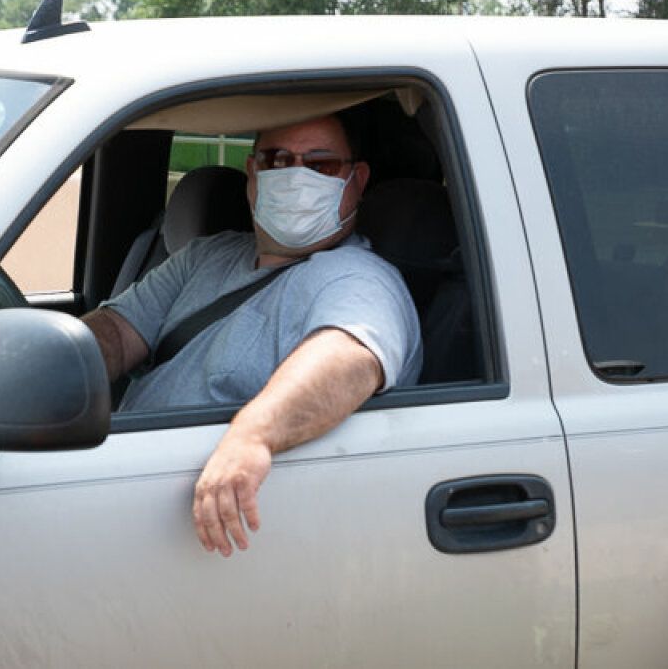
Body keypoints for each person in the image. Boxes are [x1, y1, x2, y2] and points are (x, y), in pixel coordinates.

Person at [82, 111, 422, 557]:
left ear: (356, 180)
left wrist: (253, 437)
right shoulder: (206, 255)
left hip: (212, 521)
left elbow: (349, 358)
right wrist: (48, 366)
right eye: (277, 160)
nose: (295, 176)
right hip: (117, 484)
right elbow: (118, 332)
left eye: (320, 165)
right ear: (252, 173)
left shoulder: (358, 279)